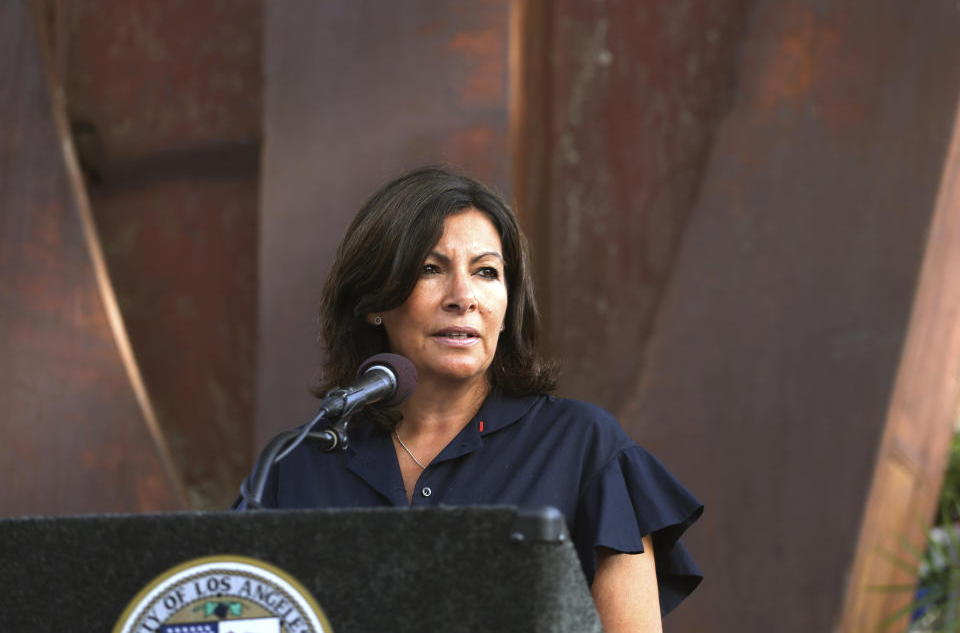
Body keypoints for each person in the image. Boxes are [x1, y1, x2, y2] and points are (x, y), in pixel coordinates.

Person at [251, 166, 702, 631]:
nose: (464, 297)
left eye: (486, 272)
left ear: (507, 308)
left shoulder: (584, 448)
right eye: (431, 269)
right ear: (372, 302)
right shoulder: (297, 464)